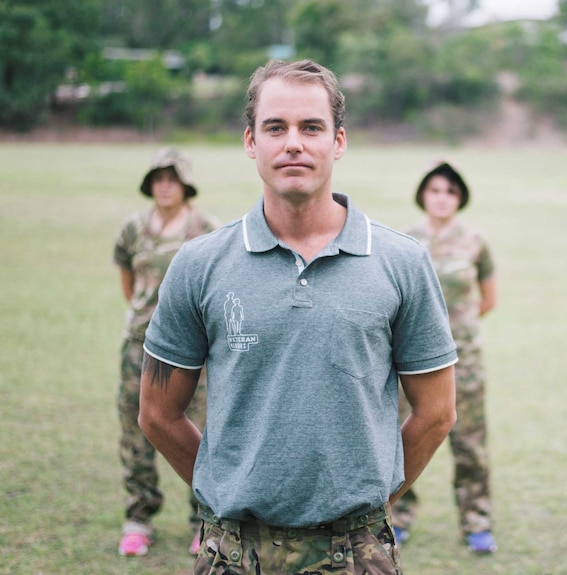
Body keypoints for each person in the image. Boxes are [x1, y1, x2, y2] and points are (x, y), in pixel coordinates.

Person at [138, 59, 458, 575]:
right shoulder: (199, 264)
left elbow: (437, 412)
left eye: (311, 127)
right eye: (275, 127)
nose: (293, 142)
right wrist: (227, 487)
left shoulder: (402, 262)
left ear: (338, 142)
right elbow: (157, 414)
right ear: (250, 142)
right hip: (232, 554)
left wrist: (370, 497)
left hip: (358, 552)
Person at [113, 147, 220, 557]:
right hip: (140, 345)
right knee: (136, 429)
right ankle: (139, 516)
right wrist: (146, 317)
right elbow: (129, 280)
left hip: (194, 349)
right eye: (157, 179)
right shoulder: (134, 229)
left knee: (203, 429)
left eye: (171, 179)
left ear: (185, 185)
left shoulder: (206, 228)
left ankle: (204, 518)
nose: (164, 186)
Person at [392, 162, 499, 554]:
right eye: (435, 189)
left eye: (450, 191)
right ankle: (398, 516)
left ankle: (477, 521)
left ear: (460, 199)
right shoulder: (402, 241)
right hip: (410, 360)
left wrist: (453, 332)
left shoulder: (475, 240)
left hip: (462, 358)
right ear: (423, 194)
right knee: (403, 437)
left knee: (470, 441)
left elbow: (488, 299)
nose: (442, 197)